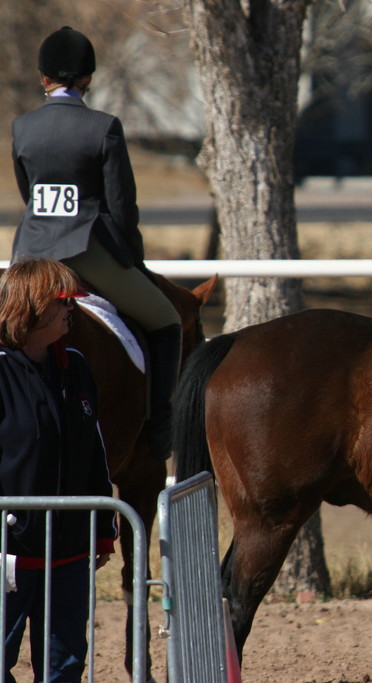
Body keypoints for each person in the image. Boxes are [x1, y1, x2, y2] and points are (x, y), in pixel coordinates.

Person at [10, 26, 181, 460]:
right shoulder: (103, 127)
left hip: (29, 253)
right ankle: (162, 426)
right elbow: (122, 207)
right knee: (166, 322)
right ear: (88, 79)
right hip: (85, 251)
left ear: (42, 77)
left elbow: (30, 193)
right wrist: (133, 263)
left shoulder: (23, 127)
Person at [0, 259, 117, 683]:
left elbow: (93, 456)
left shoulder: (77, 367)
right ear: (31, 307)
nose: (73, 308)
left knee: (65, 665)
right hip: (8, 552)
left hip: (68, 550)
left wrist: (103, 529)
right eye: (63, 300)